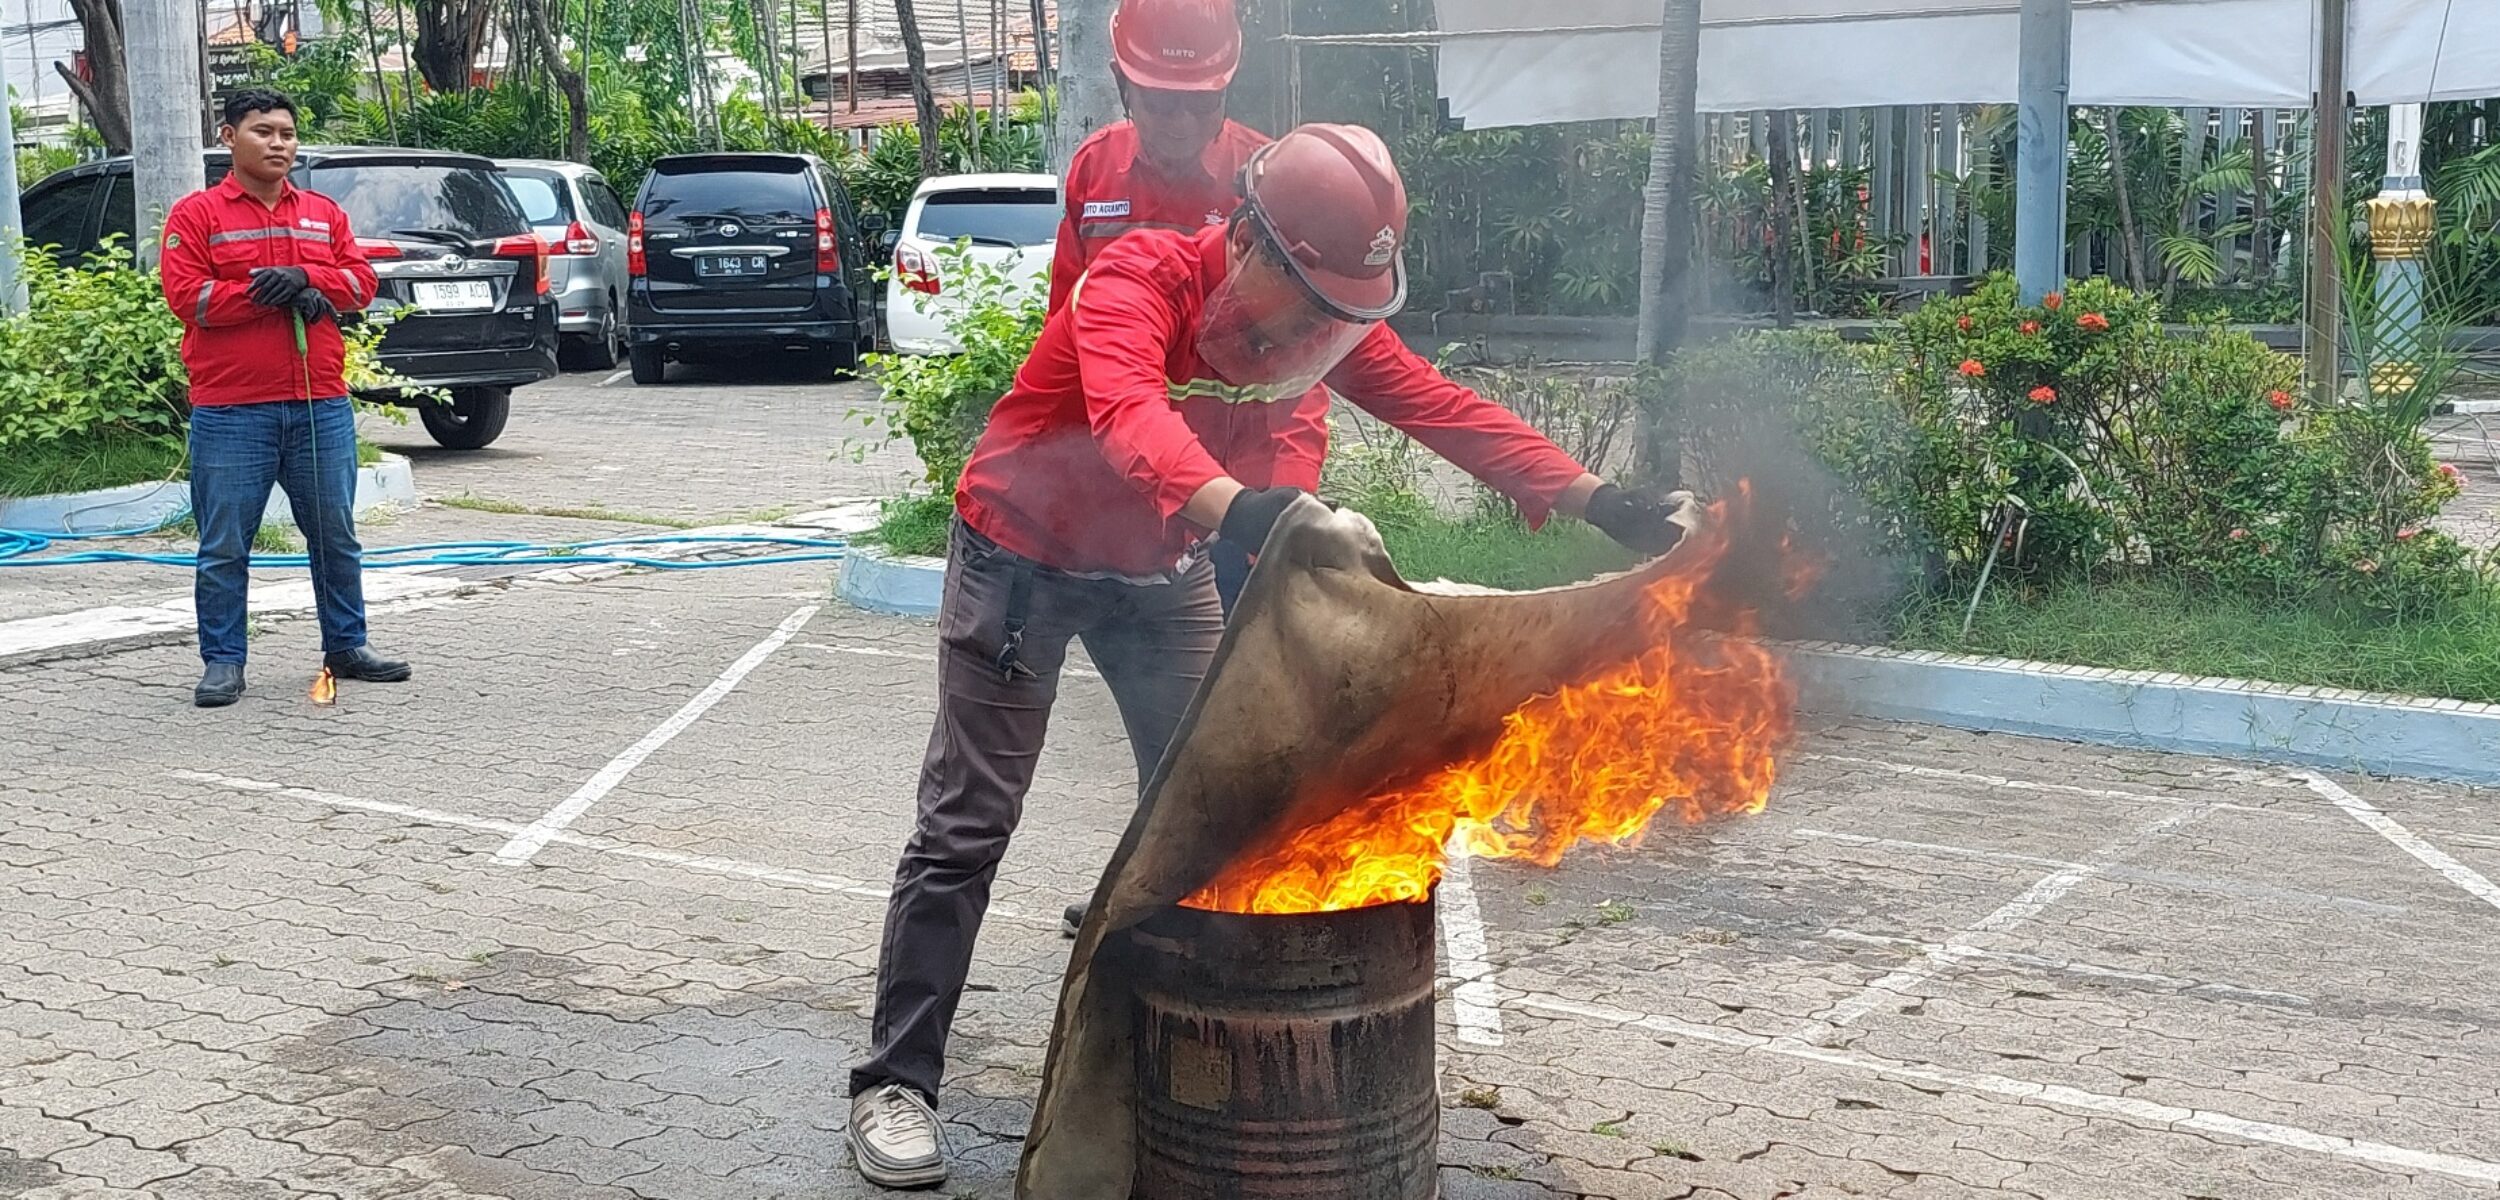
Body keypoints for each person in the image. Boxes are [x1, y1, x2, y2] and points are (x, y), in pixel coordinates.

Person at [843, 123, 1692, 1190]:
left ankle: (1172, 1055)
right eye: (1311, 306)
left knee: (1221, 796)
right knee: (969, 819)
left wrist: (1597, 501)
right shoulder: (1134, 285)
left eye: (1341, 318)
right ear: (1246, 241)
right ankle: (894, 1081)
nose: (1319, 340)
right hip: (1021, 562)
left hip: (1159, 579)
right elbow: (1127, 421)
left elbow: (1441, 407)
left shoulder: (1316, 325)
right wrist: (1239, 511)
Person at [1047, 0, 1323, 619]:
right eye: (1161, 101)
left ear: (1228, 87)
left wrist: (1287, 501)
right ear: (1123, 85)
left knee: (1234, 665)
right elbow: (1066, 314)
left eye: (1202, 102)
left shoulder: (1267, 181)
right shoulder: (1095, 169)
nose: (1181, 122)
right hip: (1120, 463)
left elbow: (1302, 376)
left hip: (1233, 480)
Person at [161, 89, 410, 708]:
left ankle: (346, 647)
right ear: (229, 137)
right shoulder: (197, 216)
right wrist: (264, 293)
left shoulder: (324, 214)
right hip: (231, 410)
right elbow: (187, 298)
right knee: (224, 544)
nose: (278, 143)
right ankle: (223, 661)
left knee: (334, 534)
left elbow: (361, 283)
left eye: (287, 133)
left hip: (317, 403)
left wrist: (309, 278)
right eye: (263, 131)